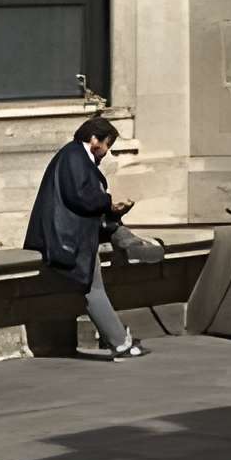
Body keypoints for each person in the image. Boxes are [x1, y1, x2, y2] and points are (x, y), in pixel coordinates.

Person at [25, 115, 165, 360]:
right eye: (107, 144)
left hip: (78, 234)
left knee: (94, 286)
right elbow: (80, 197)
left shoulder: (75, 157)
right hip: (71, 238)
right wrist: (111, 202)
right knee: (93, 289)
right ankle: (120, 343)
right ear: (93, 139)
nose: (106, 152)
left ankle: (129, 242)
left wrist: (111, 207)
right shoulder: (74, 157)